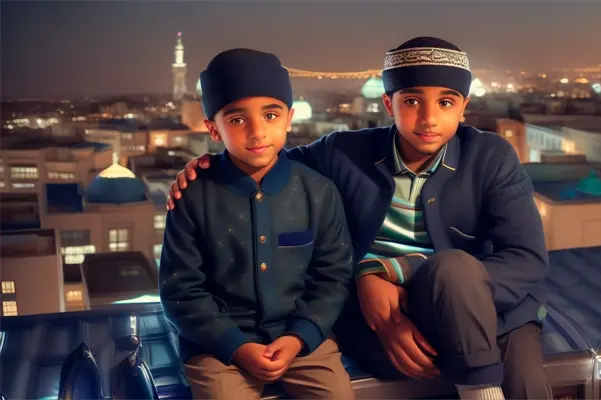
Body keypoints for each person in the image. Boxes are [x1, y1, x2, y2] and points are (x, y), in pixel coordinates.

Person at [167, 37, 552, 400]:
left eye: (446, 103)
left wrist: (387, 272)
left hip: (489, 312)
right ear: (389, 105)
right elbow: (266, 164)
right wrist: (203, 169)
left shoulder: (488, 157)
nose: (429, 118)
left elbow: (526, 257)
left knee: (512, 361)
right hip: (381, 321)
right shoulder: (344, 153)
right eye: (413, 101)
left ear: (464, 106)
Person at [159, 48, 355, 400]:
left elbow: (334, 276)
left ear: (289, 118)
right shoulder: (193, 196)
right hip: (217, 347)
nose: (257, 131)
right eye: (237, 120)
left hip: (303, 339)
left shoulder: (318, 192)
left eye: (270, 114)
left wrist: (299, 337)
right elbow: (180, 289)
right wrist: (235, 345)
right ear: (212, 129)